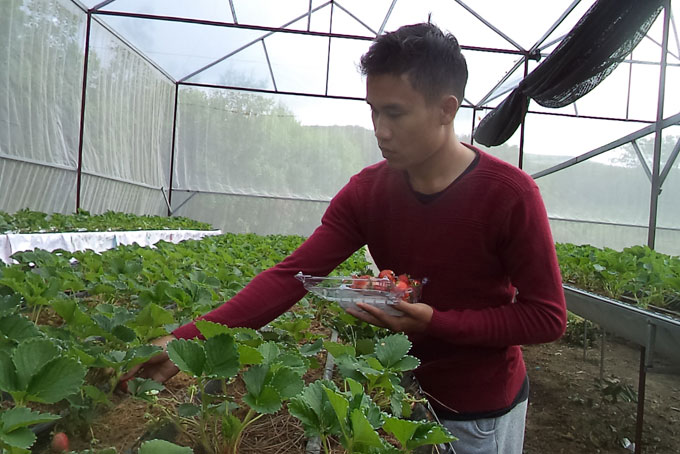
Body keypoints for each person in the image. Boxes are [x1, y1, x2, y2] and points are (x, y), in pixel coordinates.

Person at [123, 22, 567, 454]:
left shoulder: (509, 195)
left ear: (446, 110)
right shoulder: (368, 191)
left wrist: (436, 321)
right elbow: (290, 277)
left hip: (476, 412)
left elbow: (547, 318)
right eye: (373, 109)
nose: (380, 129)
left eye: (395, 112)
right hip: (392, 392)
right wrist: (186, 340)